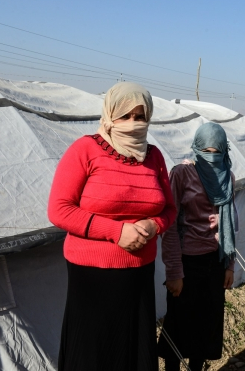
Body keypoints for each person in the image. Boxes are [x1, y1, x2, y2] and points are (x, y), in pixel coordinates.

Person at [48, 82, 177, 371]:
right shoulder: (85, 150)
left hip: (139, 274)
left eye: (140, 116)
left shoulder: (153, 156)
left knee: (132, 350)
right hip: (92, 275)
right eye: (125, 116)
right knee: (94, 352)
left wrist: (154, 225)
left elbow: (170, 209)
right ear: (109, 116)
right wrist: (116, 232)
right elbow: (59, 210)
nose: (133, 124)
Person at [158, 123, 237, 371]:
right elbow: (170, 225)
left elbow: (230, 225)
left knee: (207, 320)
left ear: (225, 151)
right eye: (206, 151)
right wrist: (174, 271)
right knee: (179, 321)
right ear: (196, 149)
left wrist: (229, 266)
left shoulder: (228, 176)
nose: (212, 157)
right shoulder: (182, 174)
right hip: (186, 262)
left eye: (217, 151)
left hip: (215, 261)